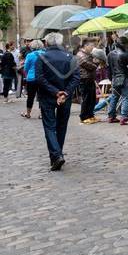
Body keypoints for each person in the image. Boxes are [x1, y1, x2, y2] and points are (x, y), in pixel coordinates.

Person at [35, 33, 80, 171]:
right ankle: (57, 154)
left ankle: (56, 155)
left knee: (49, 126)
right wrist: (65, 92)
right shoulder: (70, 57)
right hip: (64, 97)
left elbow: (39, 78)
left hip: (48, 96)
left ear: (47, 43)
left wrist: (55, 92)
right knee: (61, 126)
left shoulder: (41, 57)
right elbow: (76, 77)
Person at [107, 36, 128, 125]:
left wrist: (111, 79)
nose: (127, 47)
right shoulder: (124, 55)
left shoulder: (110, 54)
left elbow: (109, 69)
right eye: (126, 45)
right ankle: (124, 117)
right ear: (123, 45)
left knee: (114, 97)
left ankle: (111, 116)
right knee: (126, 98)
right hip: (124, 79)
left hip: (115, 78)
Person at [75, 39, 100, 124]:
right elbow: (89, 65)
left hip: (90, 78)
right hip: (84, 79)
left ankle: (90, 115)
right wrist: (96, 64)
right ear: (86, 46)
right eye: (91, 46)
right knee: (86, 98)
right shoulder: (80, 55)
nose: (93, 48)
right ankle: (83, 116)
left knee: (92, 98)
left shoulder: (88, 54)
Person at [21, 40, 44, 119]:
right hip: (42, 78)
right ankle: (41, 114)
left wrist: (27, 74)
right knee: (42, 96)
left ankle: (28, 113)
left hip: (31, 79)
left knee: (30, 96)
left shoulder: (29, 55)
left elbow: (26, 68)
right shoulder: (45, 54)